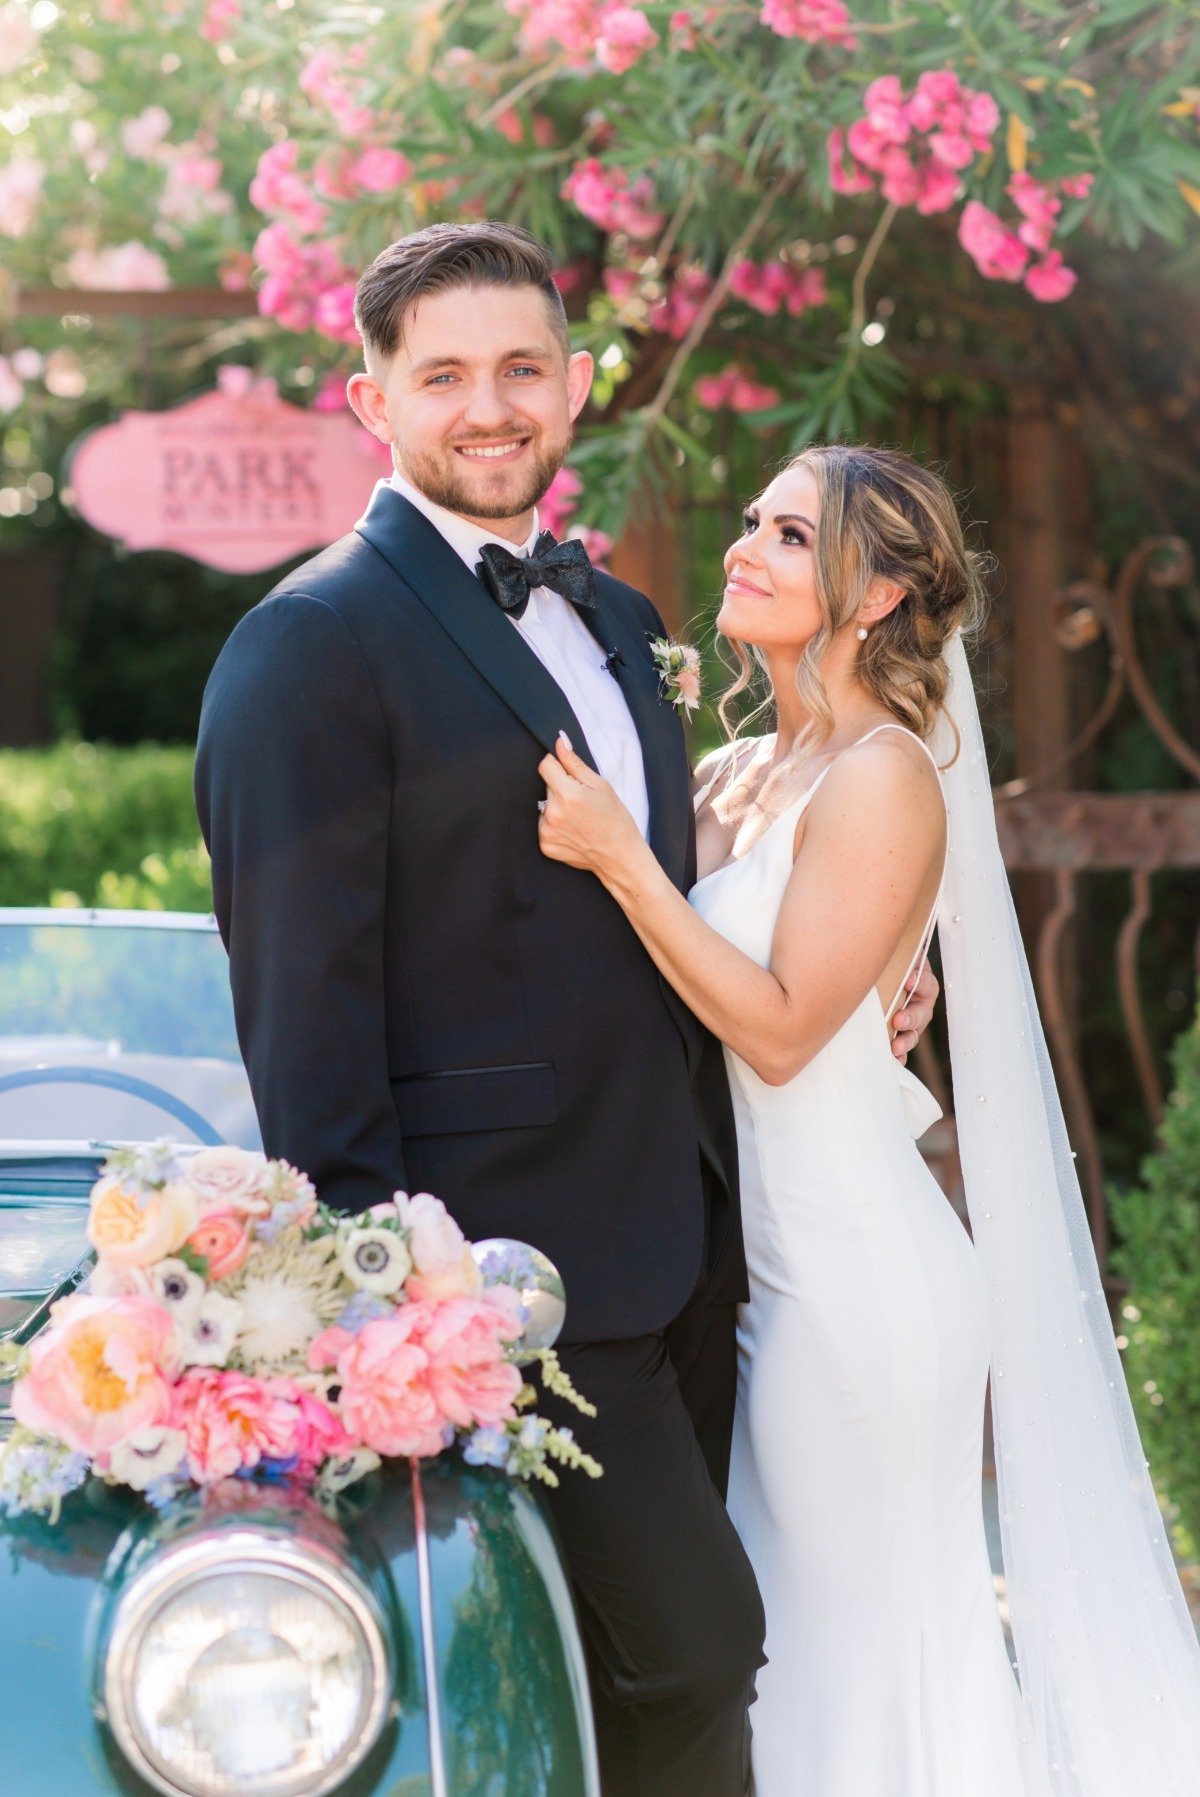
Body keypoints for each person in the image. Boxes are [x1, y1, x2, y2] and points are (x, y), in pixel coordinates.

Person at [193, 222, 939, 1797]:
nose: (490, 405)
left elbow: (679, 901)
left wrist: (879, 958)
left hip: (701, 1255)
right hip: (499, 1282)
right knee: (697, 1648)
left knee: (614, 1684)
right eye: (445, 373)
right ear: (369, 397)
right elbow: (304, 1023)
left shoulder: (622, 622)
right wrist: (384, 1300)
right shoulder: (306, 650)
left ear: (576, 388)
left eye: (522, 367)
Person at [538, 442, 1200, 1796]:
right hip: (757, 1279)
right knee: (796, 1665)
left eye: (791, 533)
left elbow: (779, 1033)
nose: (746, 545)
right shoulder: (731, 776)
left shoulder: (889, 772)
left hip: (858, 1291)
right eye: (753, 519)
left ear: (882, 592)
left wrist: (618, 856)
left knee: (866, 1661)